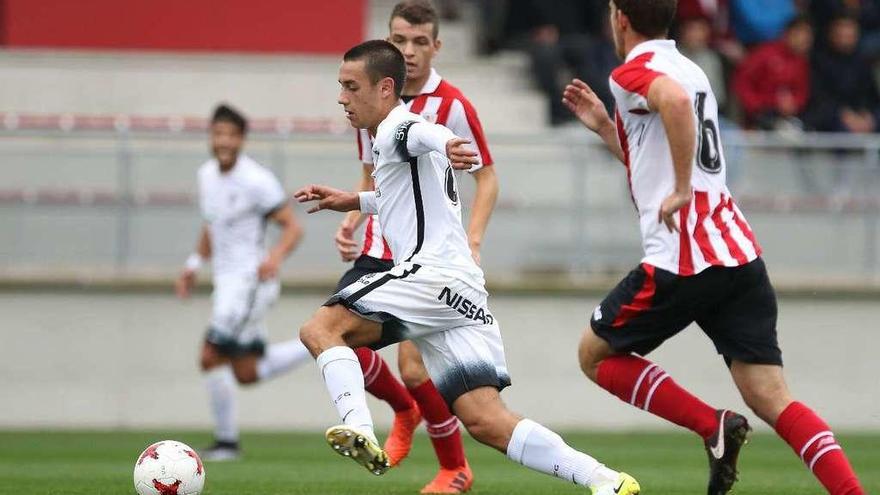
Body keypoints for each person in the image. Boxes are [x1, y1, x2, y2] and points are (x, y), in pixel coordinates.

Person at [295, 39, 641, 495]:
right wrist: (354, 201)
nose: (341, 96)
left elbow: (426, 134)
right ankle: (607, 482)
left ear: (383, 89)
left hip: (430, 276)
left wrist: (449, 142)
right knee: (486, 420)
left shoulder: (401, 126)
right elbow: (409, 199)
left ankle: (358, 427)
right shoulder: (391, 138)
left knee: (321, 330)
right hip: (462, 290)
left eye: (349, 86)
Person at [562, 1, 865, 494]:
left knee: (595, 356)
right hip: (737, 253)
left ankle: (711, 425)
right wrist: (603, 125)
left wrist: (680, 189)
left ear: (619, 18)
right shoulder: (692, 67)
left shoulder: (633, 70)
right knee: (773, 398)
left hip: (684, 259)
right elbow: (657, 152)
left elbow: (675, 108)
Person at [333, 2, 499, 492]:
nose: (408, 51)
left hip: (427, 255)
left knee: (410, 364)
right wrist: (350, 217)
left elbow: (488, 179)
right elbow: (373, 173)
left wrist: (473, 237)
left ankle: (452, 466)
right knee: (332, 336)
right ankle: (405, 411)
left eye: (419, 42)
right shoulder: (369, 95)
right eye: (399, 40)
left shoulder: (452, 106)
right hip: (380, 240)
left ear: (435, 46)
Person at [176, 104, 309, 461]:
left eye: (231, 134)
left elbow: (293, 227)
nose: (223, 141)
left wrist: (274, 258)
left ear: (241, 139)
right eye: (218, 133)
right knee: (246, 372)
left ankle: (226, 444)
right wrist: (193, 264)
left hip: (249, 283)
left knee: (209, 356)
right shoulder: (206, 175)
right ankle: (316, 345)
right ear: (211, 136)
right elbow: (211, 226)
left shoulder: (256, 180)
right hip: (227, 285)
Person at [731, 16, 813, 130]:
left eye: (807, 39)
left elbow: (802, 91)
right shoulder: (764, 54)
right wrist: (757, 107)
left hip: (790, 117)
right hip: (760, 115)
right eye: (800, 35)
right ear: (788, 34)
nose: (804, 41)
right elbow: (742, 82)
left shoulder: (802, 62)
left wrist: (794, 104)